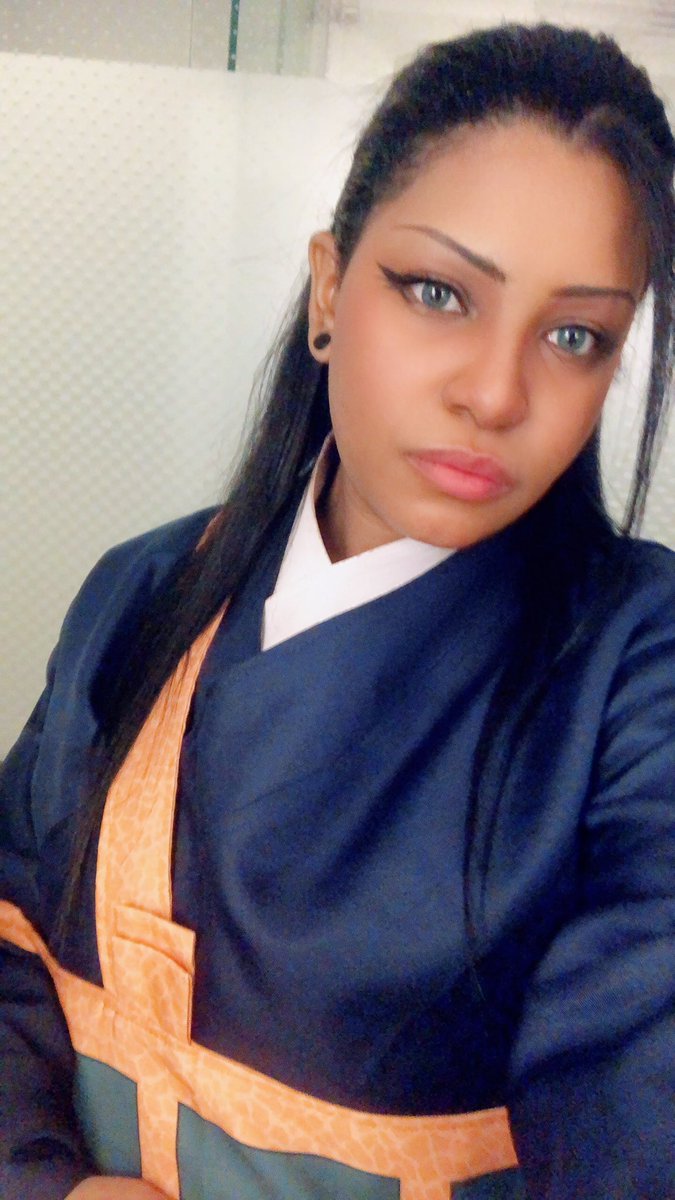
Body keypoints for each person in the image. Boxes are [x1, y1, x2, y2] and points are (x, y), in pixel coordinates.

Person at [0, 20, 673, 1200]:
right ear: (328, 288)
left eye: (575, 336)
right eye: (439, 292)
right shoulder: (144, 592)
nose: (496, 392)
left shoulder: (634, 671)